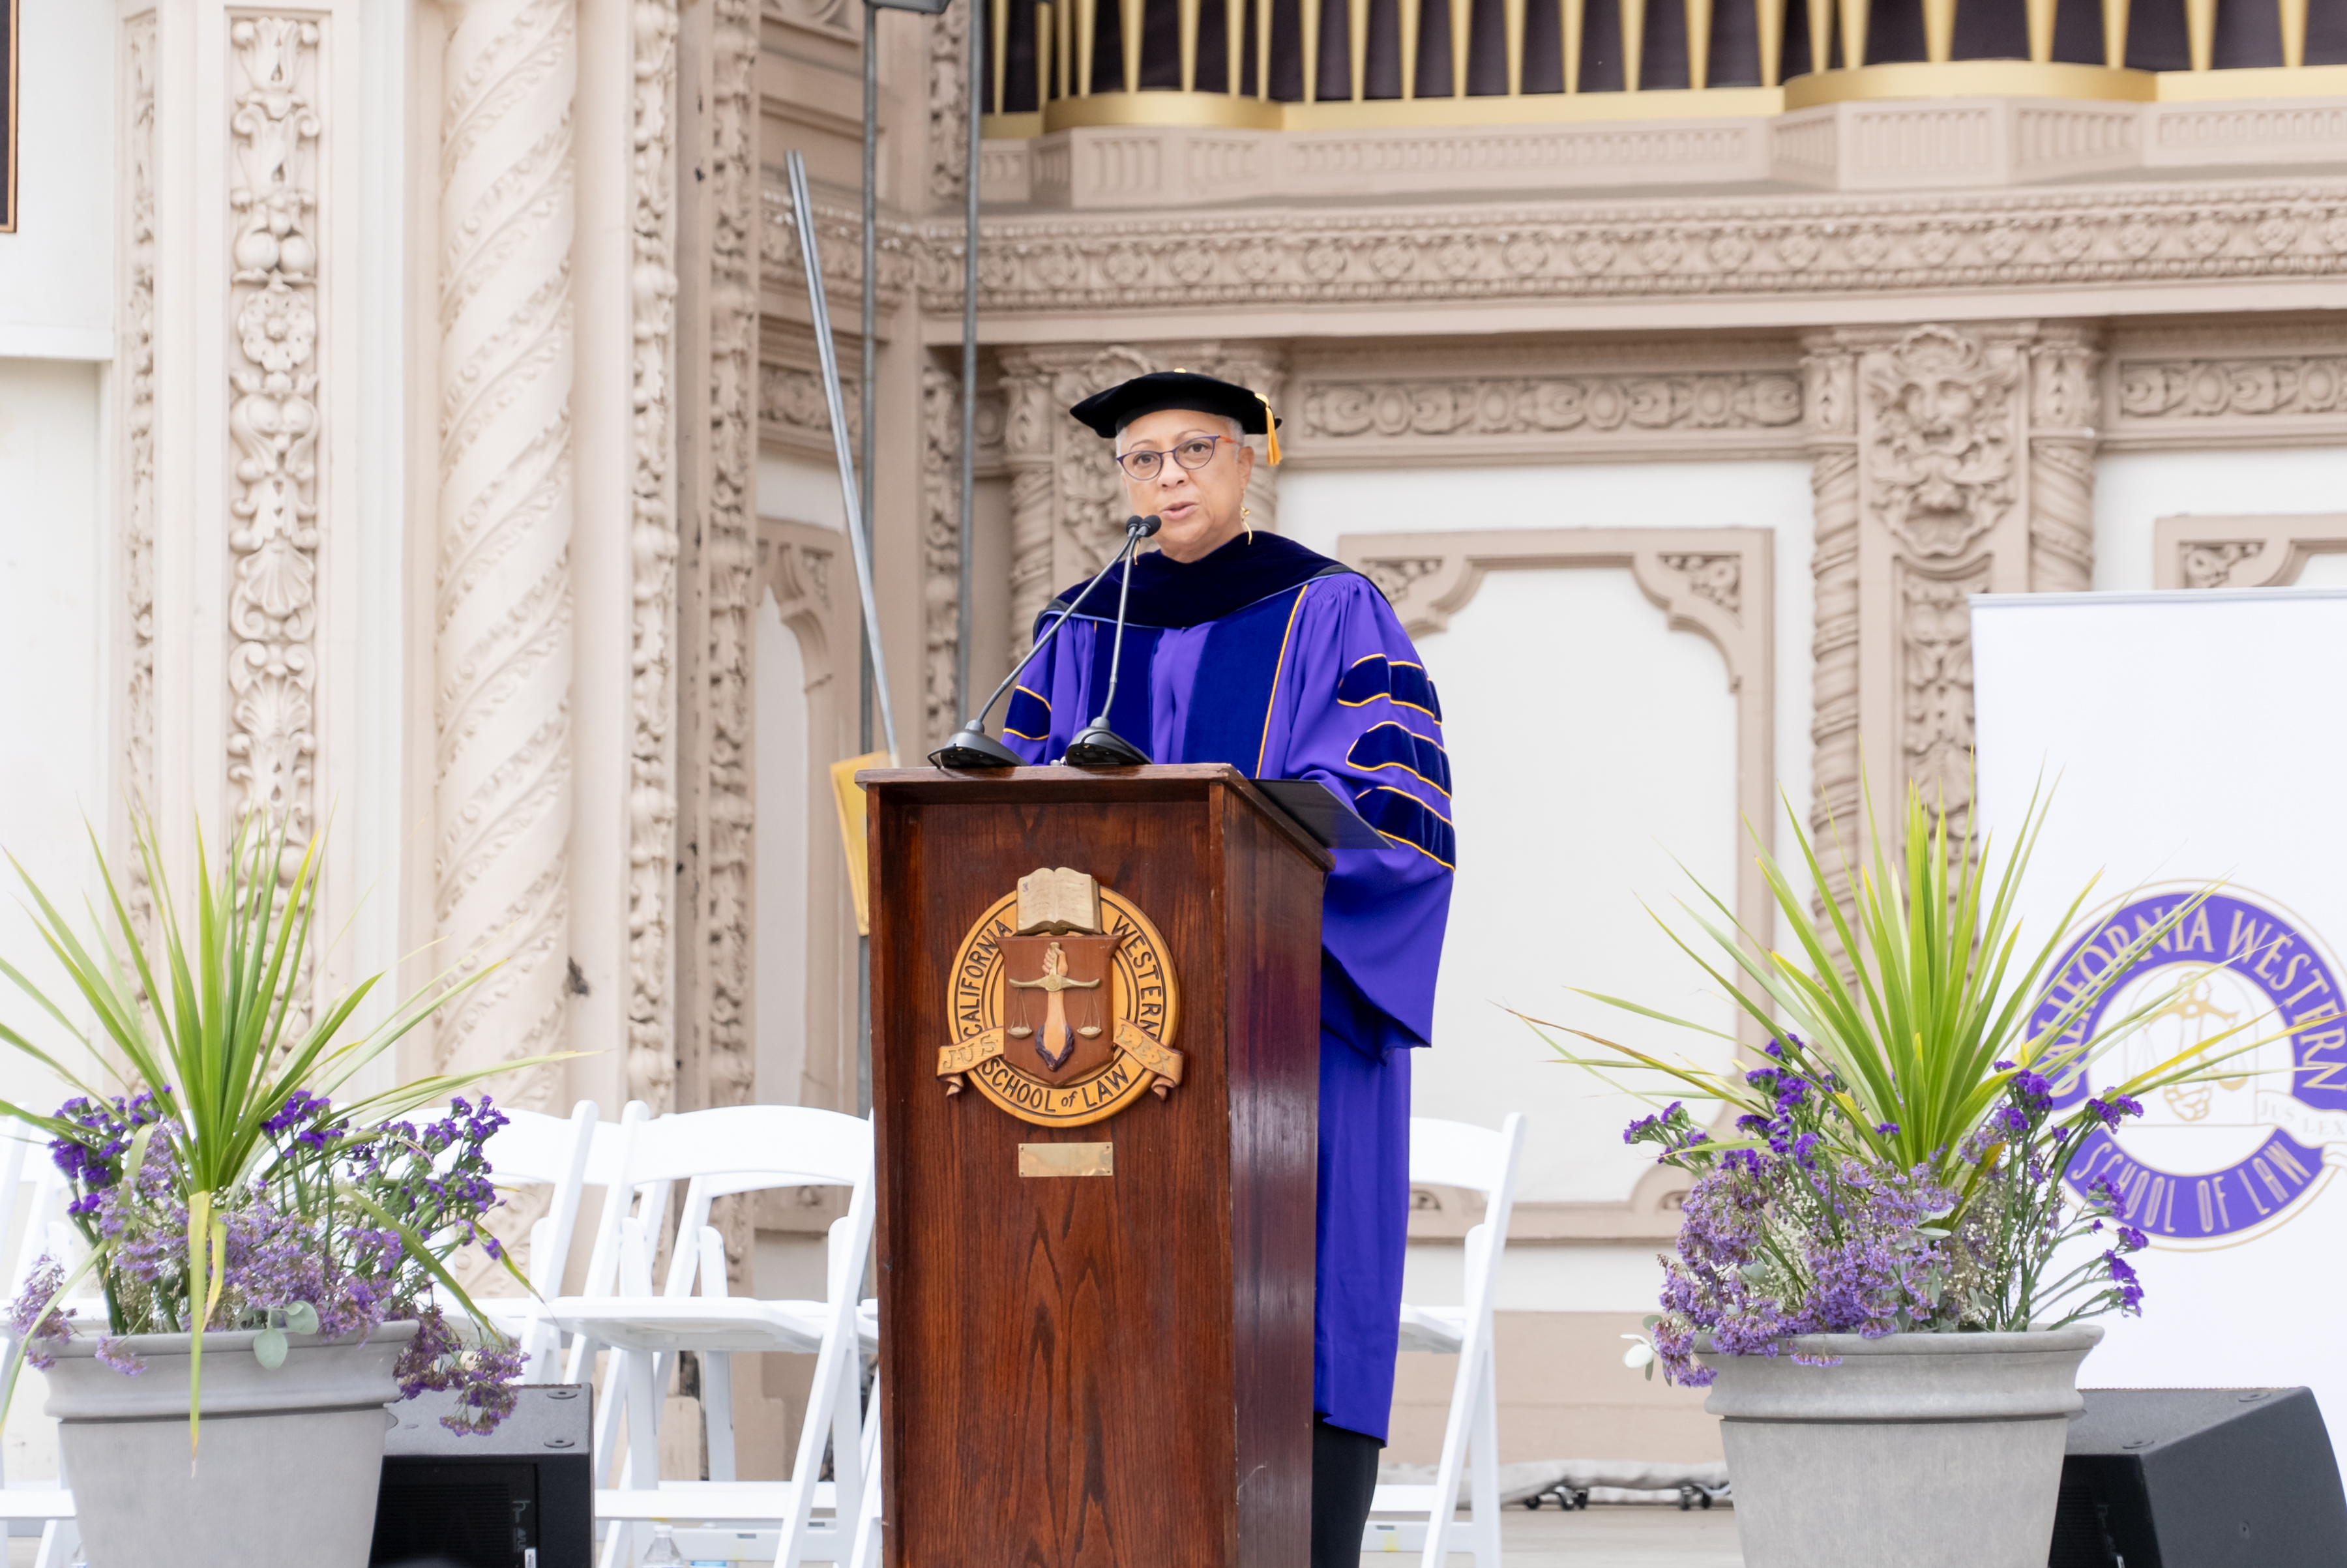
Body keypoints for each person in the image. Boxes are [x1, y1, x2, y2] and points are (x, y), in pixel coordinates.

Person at [997, 370, 1455, 1567]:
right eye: (1139, 459)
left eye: (1193, 450)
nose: (1166, 479)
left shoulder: (1335, 612)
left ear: (1254, 459)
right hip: (1108, 1044)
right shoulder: (1080, 626)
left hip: (1281, 1025)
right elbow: (1004, 826)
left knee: (1290, 1303)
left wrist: (1244, 876)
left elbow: (1394, 818)